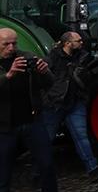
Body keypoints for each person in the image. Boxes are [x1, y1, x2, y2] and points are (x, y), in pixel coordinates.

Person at [40, 32, 98, 181]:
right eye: (78, 41)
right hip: (56, 103)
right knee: (46, 139)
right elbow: (43, 78)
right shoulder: (53, 57)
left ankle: (93, 169)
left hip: (74, 102)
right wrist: (47, 98)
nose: (81, 42)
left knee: (81, 137)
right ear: (67, 43)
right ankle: (38, 173)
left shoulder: (82, 56)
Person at [0, 28, 57, 192]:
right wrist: (8, 75)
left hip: (32, 121)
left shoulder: (26, 57)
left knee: (47, 165)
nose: (11, 48)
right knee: (3, 173)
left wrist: (44, 72)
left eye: (14, 43)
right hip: (5, 127)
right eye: (6, 44)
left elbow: (49, 83)